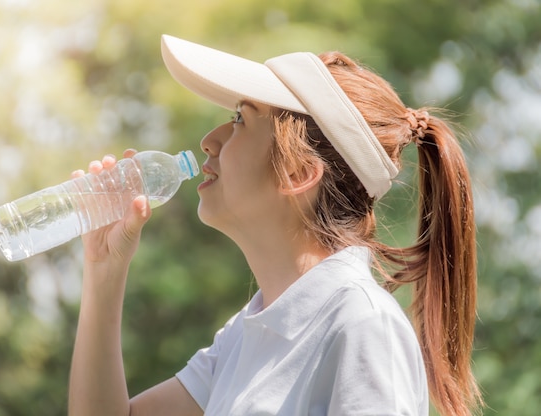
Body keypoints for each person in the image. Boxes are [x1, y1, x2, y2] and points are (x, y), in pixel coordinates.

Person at [68, 34, 482, 416]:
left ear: (299, 172)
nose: (210, 140)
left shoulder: (362, 325)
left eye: (241, 119)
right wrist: (104, 270)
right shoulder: (246, 336)